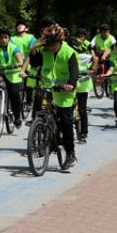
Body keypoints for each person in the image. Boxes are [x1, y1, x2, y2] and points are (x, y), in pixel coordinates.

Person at [28, 24, 78, 171]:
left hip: (64, 92)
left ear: (60, 41)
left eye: (52, 44)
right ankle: (42, 131)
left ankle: (70, 153)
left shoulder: (69, 52)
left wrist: (71, 84)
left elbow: (74, 72)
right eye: (47, 44)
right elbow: (35, 63)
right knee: (39, 108)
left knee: (66, 122)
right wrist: (34, 49)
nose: (50, 47)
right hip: (47, 88)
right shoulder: (44, 51)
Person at [0, 25, 26, 126]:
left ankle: (17, 117)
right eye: (1, 37)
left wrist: (17, 63)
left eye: (5, 37)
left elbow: (20, 60)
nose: (3, 40)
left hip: (12, 73)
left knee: (14, 93)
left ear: (9, 38)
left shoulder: (13, 47)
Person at [71, 27, 95, 144]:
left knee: (82, 108)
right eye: (78, 35)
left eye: (82, 35)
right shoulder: (69, 52)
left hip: (83, 83)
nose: (80, 38)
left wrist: (92, 69)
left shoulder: (86, 49)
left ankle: (84, 133)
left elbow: (94, 57)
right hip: (71, 84)